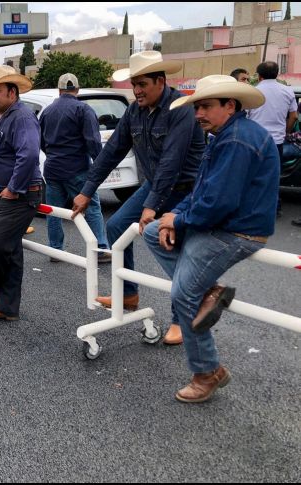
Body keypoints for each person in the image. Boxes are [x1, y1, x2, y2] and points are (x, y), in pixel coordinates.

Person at [142, 75, 277, 403]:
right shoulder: (225, 134)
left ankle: (207, 373)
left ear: (230, 105)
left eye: (205, 106)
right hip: (222, 223)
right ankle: (209, 291)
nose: (198, 113)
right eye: (196, 107)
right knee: (150, 230)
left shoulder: (235, 140)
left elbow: (218, 202)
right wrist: (172, 218)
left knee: (184, 293)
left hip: (237, 231)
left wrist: (180, 219)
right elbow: (203, 190)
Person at [71, 51, 206, 346]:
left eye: (142, 84)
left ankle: (181, 319)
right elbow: (112, 152)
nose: (137, 91)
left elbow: (172, 162)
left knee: (175, 248)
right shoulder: (135, 111)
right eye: (134, 84)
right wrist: (86, 190)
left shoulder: (181, 108)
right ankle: (129, 293)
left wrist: (150, 207)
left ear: (160, 81)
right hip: (156, 186)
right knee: (117, 226)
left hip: (185, 189)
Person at [0, 65, 42, 321]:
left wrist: (13, 188)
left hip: (17, 197)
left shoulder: (22, 117)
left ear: (12, 92)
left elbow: (29, 154)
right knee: (9, 252)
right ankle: (6, 307)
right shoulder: (6, 116)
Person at [39, 73, 111, 264]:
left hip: (52, 169)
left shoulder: (47, 111)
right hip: (77, 168)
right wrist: (101, 165)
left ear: (59, 90)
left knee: (53, 210)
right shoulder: (83, 109)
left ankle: (55, 249)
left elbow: (41, 142)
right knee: (92, 206)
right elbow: (93, 142)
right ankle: (100, 249)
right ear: (77, 90)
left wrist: (54, 154)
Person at [247, 61, 297, 218]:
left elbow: (246, 117)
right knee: (273, 176)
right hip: (277, 141)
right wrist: (285, 131)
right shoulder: (287, 91)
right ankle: (274, 208)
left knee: (253, 176)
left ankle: (254, 208)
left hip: (255, 140)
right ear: (277, 74)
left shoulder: (252, 92)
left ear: (259, 76)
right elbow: (294, 116)